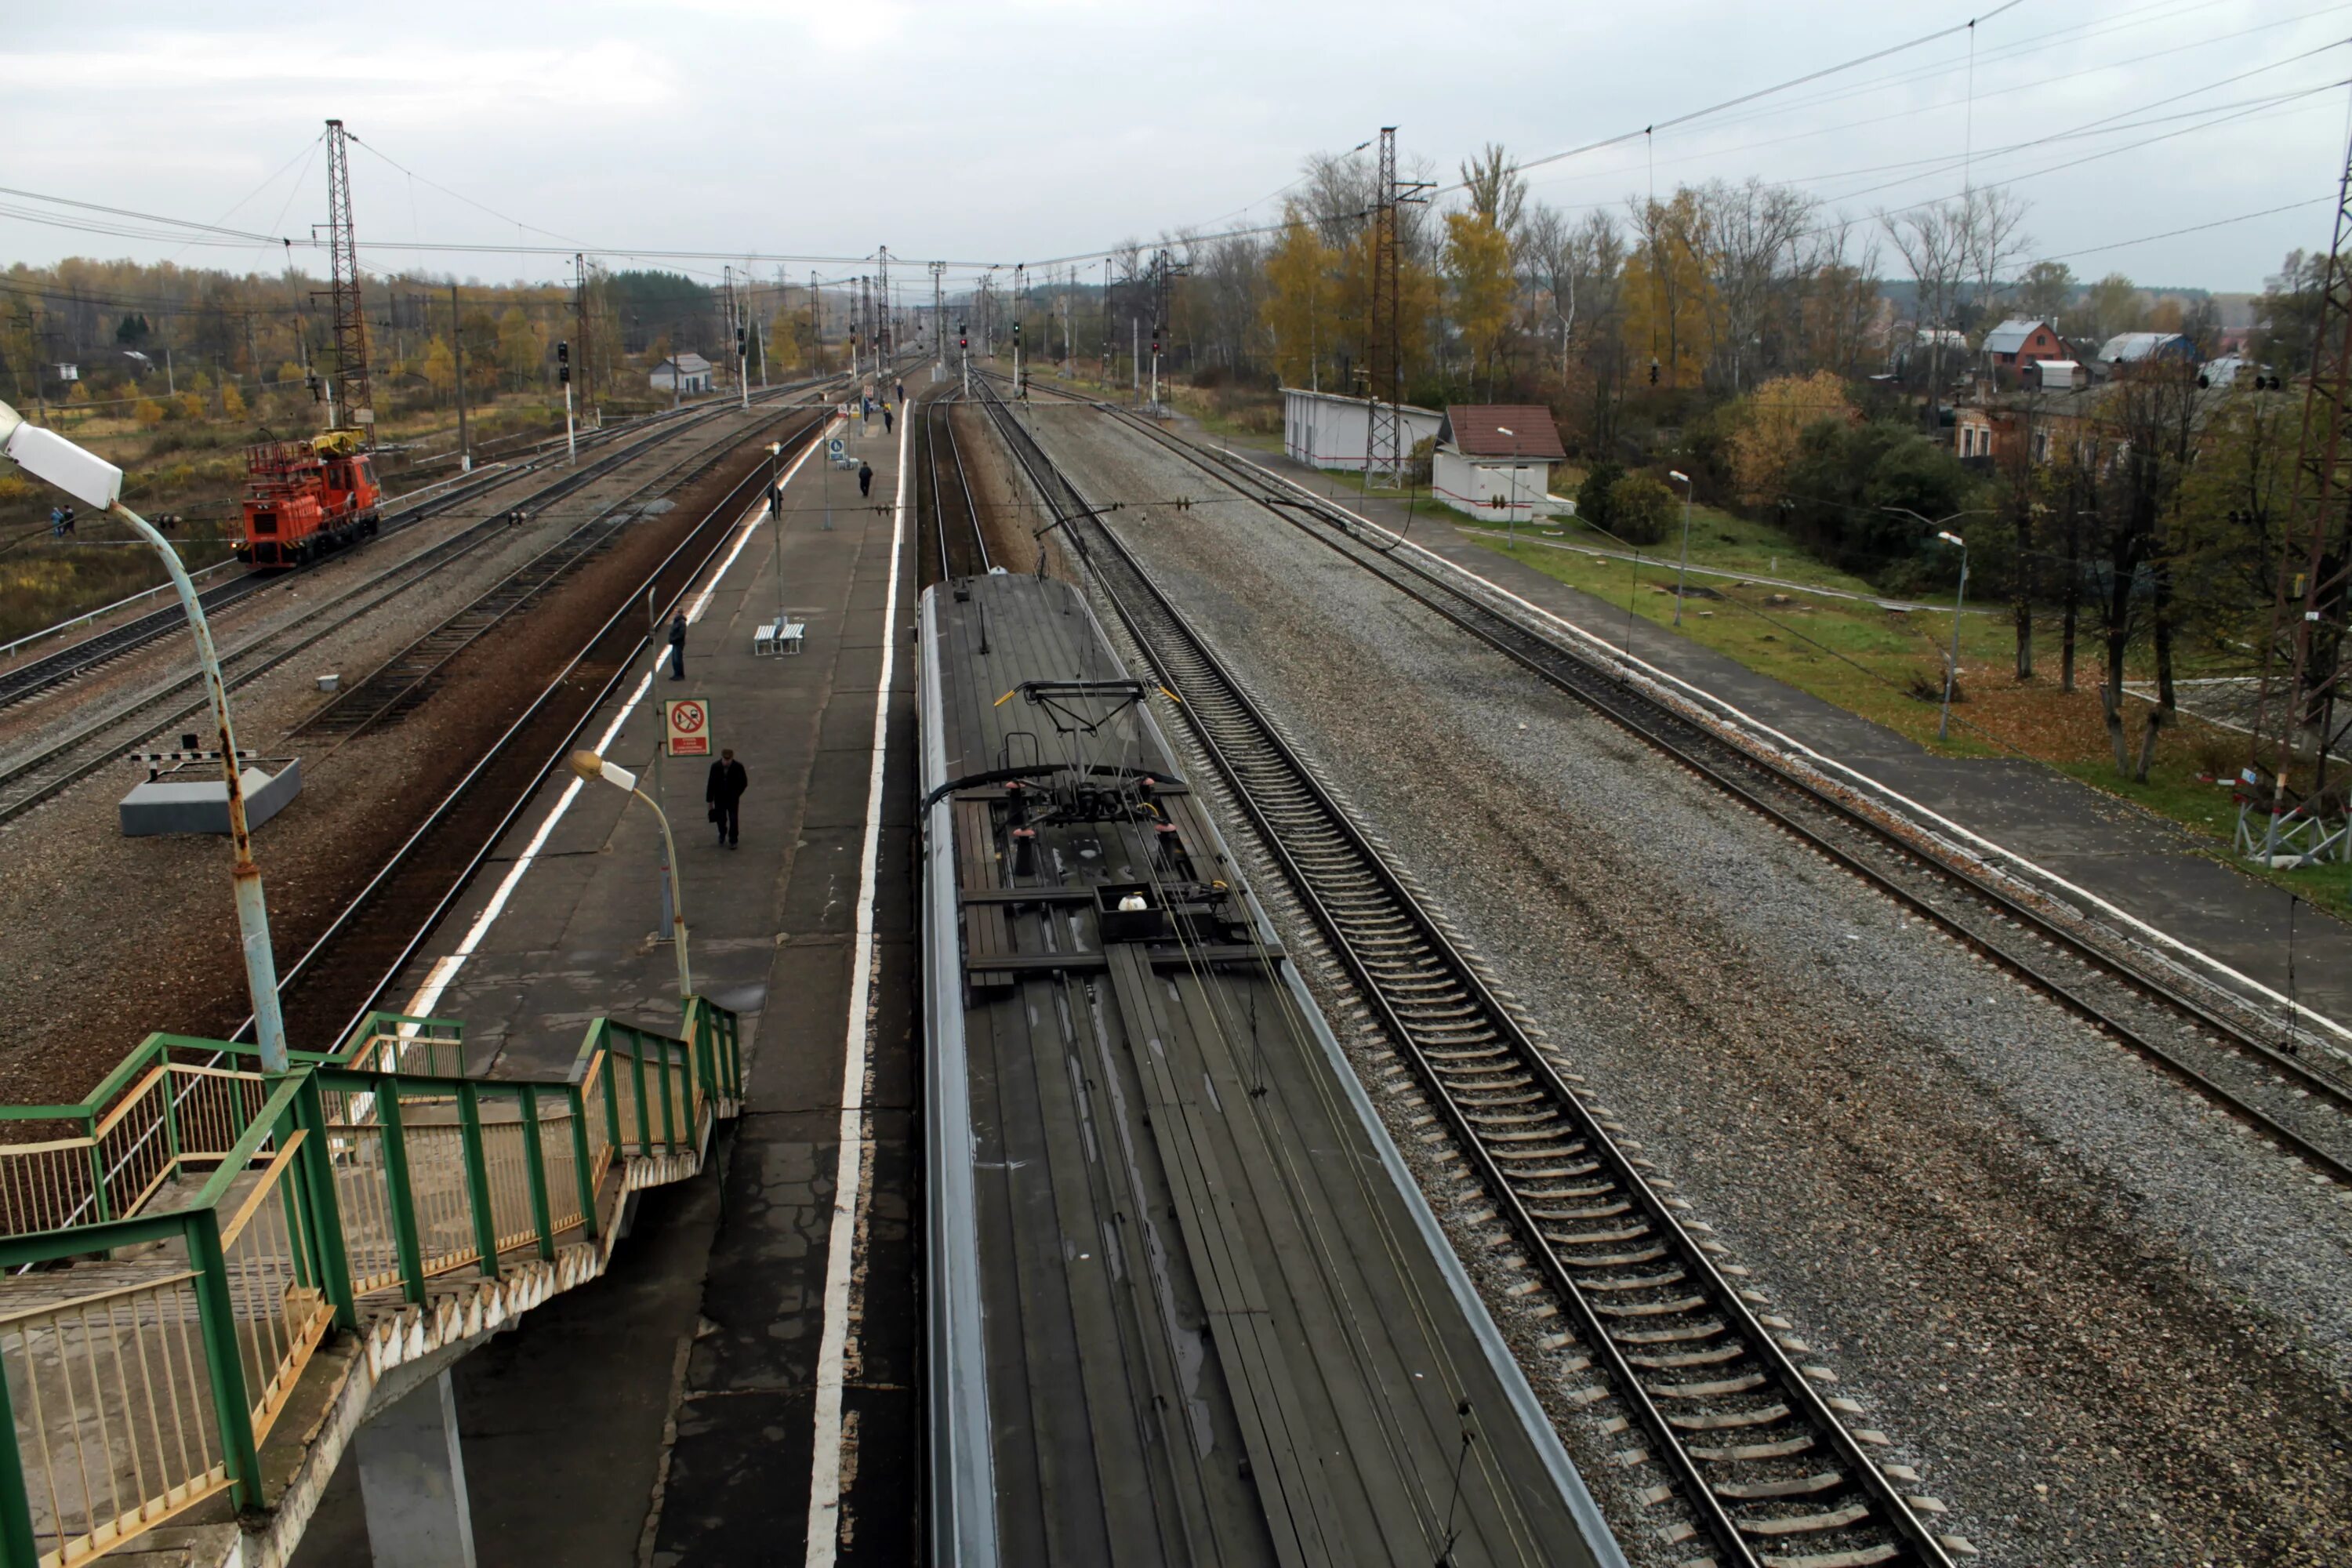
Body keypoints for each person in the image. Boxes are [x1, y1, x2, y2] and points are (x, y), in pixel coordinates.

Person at [706, 748, 746, 848]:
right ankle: (722, 833)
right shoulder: (715, 767)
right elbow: (711, 784)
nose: (726, 762)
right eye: (725, 759)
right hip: (719, 798)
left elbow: (743, 782)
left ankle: (733, 839)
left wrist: (737, 794)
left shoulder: (738, 767)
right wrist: (709, 801)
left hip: (732, 799)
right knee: (721, 819)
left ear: (732, 759)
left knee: (733, 819)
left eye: (728, 760)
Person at [667, 612, 688, 679]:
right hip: (675, 643)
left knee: (677, 659)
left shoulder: (681, 622)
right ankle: (676, 674)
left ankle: (679, 675)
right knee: (675, 659)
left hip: (678, 643)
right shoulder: (676, 621)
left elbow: (682, 633)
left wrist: (674, 639)